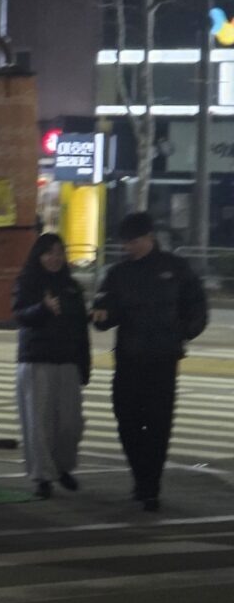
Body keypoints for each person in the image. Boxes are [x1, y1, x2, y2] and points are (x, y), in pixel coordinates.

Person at [91, 212, 208, 512]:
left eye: (134, 241)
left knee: (158, 426)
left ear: (150, 237)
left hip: (163, 360)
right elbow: (104, 309)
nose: (130, 247)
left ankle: (149, 486)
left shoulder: (175, 268)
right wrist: (101, 316)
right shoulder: (119, 274)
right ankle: (141, 476)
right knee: (127, 421)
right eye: (126, 242)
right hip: (129, 359)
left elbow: (197, 305)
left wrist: (182, 333)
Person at [12, 233, 91, 500]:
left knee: (71, 423)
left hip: (67, 361)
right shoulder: (28, 282)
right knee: (39, 423)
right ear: (39, 256)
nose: (54, 258)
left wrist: (85, 365)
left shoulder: (72, 287)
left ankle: (62, 467)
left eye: (59, 252)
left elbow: (81, 329)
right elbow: (21, 315)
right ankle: (42, 476)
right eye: (48, 252)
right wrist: (43, 308)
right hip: (37, 361)